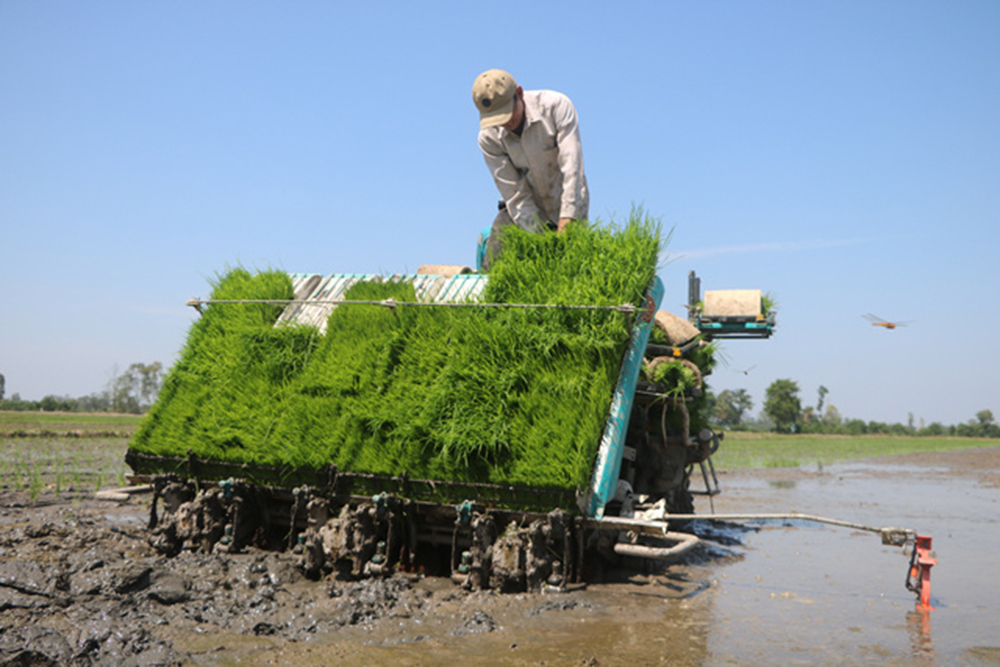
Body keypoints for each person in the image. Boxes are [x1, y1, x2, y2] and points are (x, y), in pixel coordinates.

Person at [472, 69, 589, 269]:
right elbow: (515, 193)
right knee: (497, 255)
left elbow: (572, 169)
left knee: (570, 268)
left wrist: (567, 220)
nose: (505, 122)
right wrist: (541, 240)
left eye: (507, 113)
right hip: (523, 211)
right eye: (497, 118)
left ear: (519, 93)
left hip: (567, 202)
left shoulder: (555, 107)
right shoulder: (488, 138)